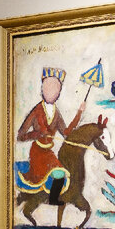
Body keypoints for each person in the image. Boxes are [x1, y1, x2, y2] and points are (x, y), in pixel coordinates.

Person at [16, 66, 86, 204]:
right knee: (42, 175)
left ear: (59, 92)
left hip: (48, 152)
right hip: (37, 152)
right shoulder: (36, 111)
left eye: (55, 89)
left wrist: (79, 113)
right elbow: (20, 135)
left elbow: (66, 133)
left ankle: (53, 199)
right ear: (42, 89)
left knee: (60, 173)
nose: (51, 92)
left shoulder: (56, 113)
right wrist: (37, 134)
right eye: (47, 88)